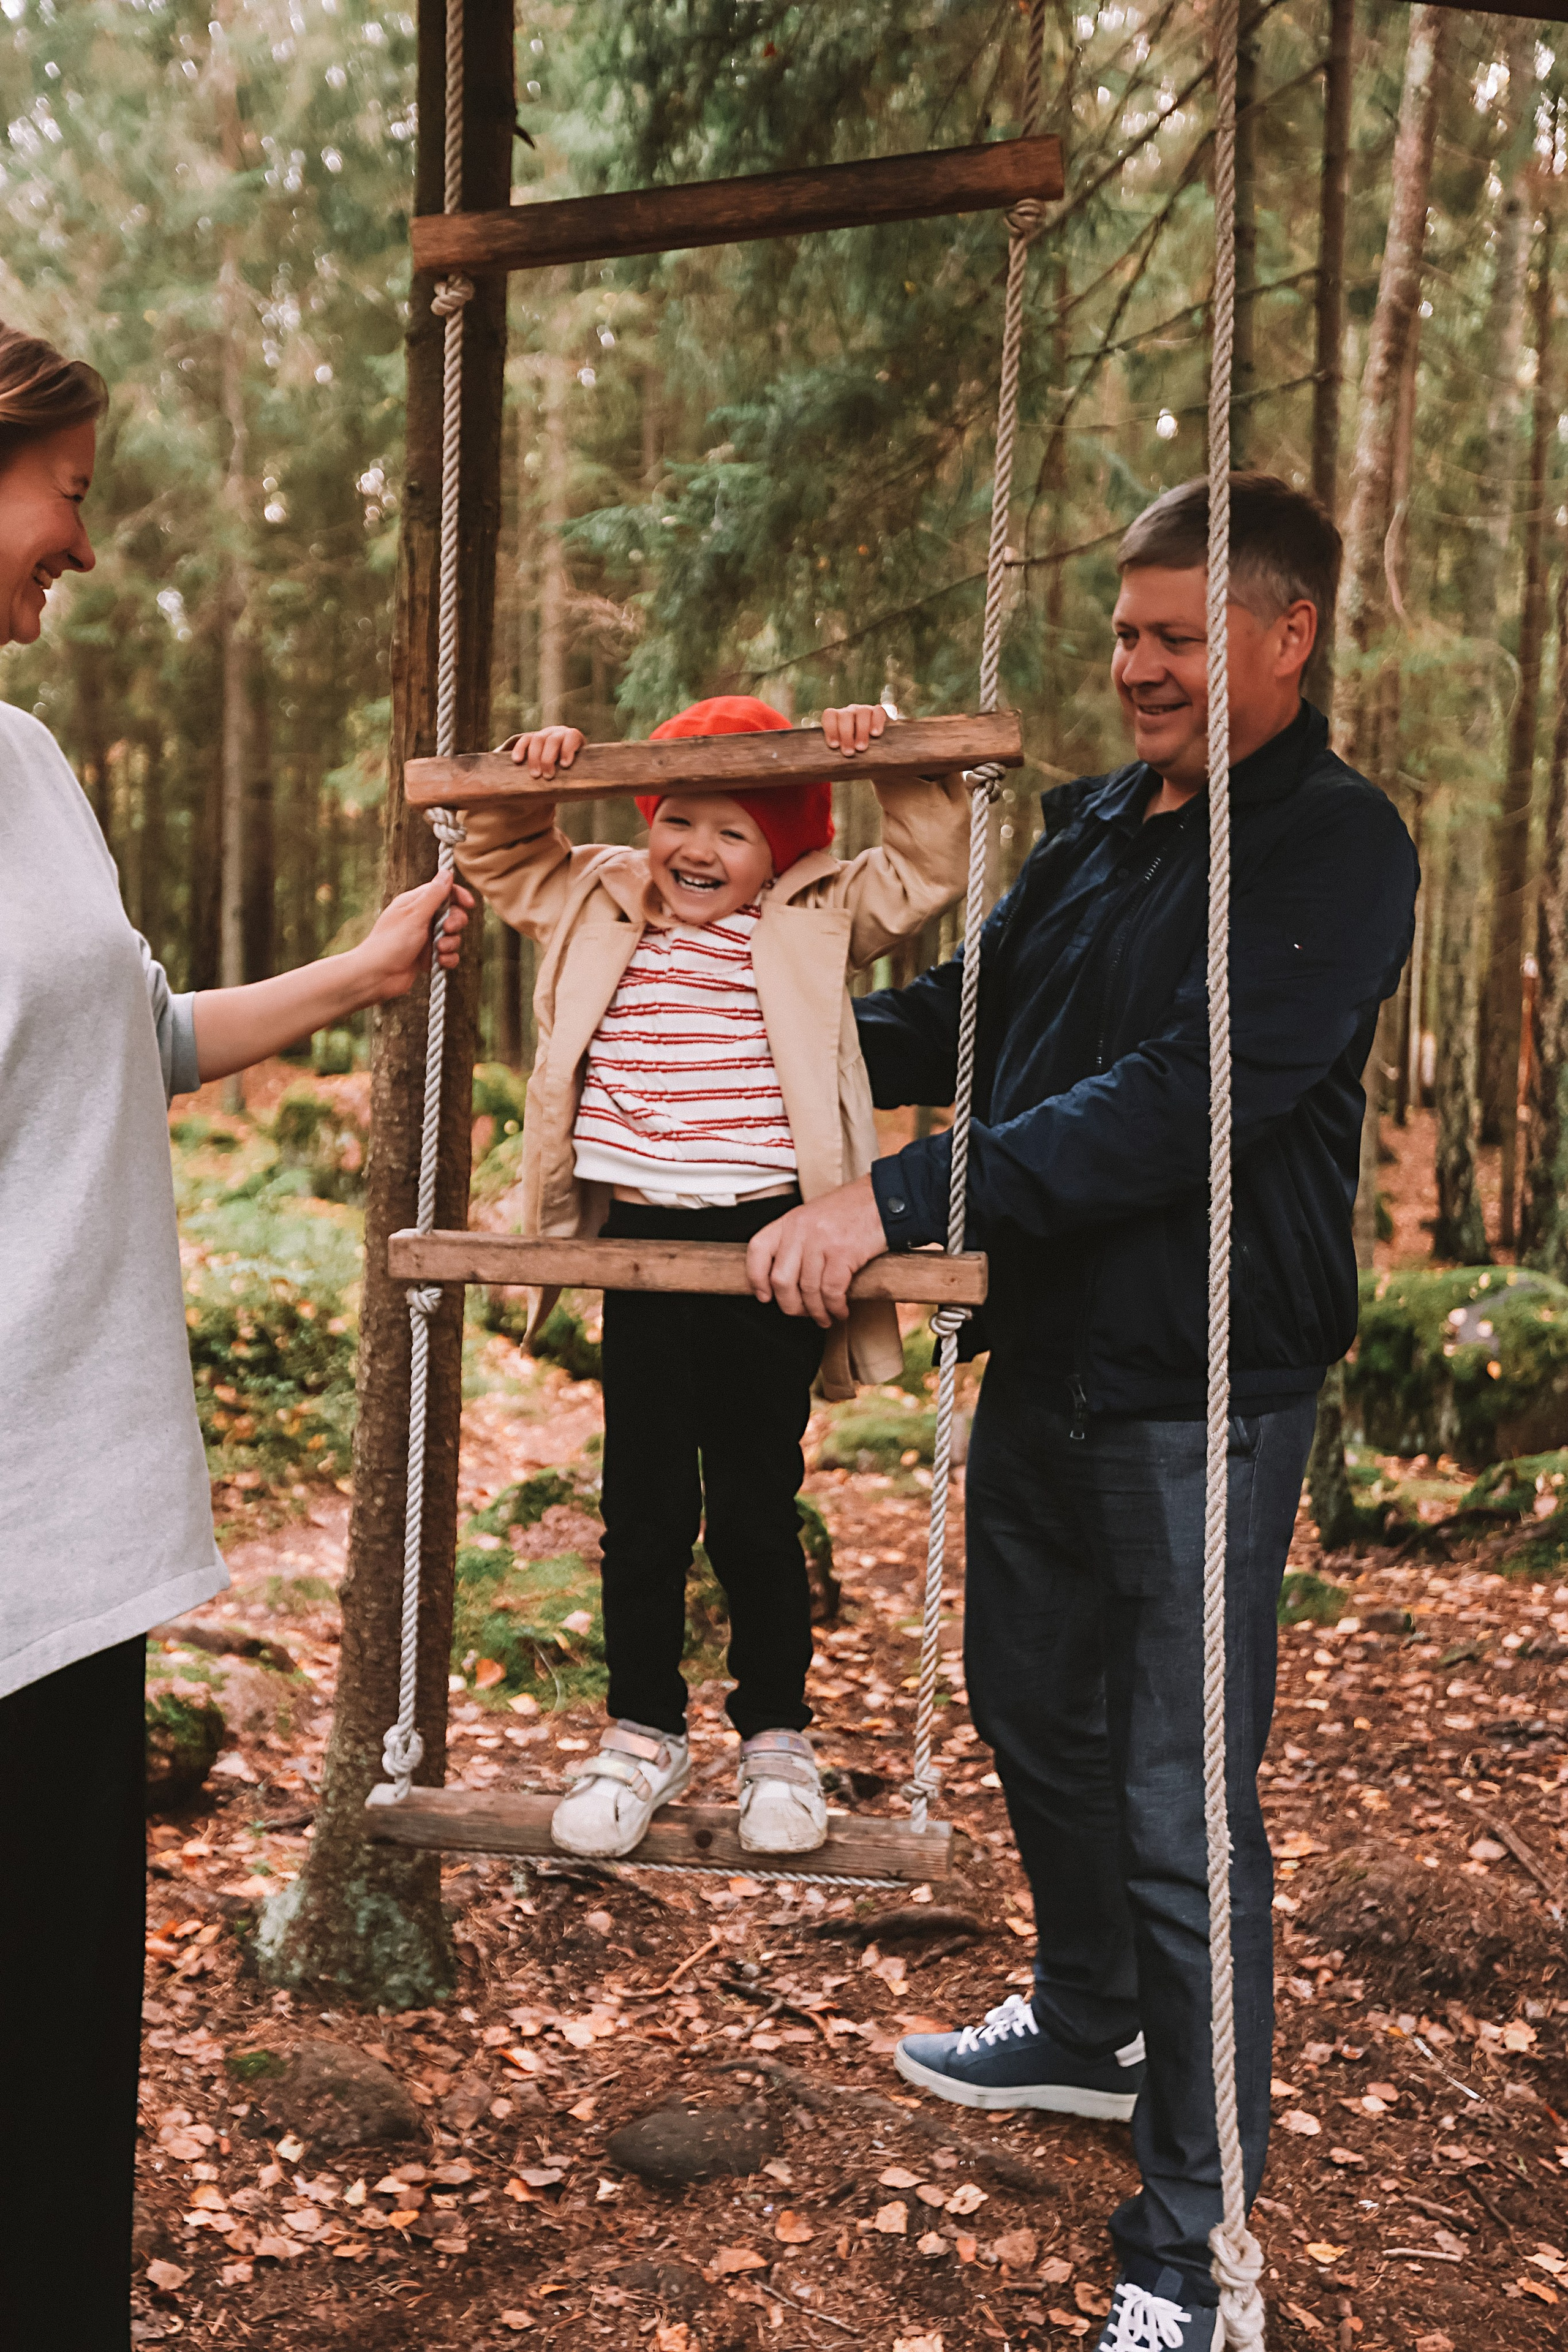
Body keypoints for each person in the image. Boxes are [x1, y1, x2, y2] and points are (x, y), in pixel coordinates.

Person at [744, 475, 1419, 2351]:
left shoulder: (1338, 847)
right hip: (1039, 1352)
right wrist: (728, 1013)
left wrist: (898, 1198)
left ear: (1287, 637)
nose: (1136, 667)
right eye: (1126, 633)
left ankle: (1193, 2249)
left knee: (1180, 1802)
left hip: (1206, 1388)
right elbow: (959, 1022)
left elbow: (1180, 1097)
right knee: (1034, 1710)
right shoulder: (1100, 829)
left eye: (1177, 638)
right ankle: (1095, 2021)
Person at [0, 318, 473, 2352]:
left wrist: (364, 973)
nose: (84, 542)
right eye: (68, 493)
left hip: (74, 1550)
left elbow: (134, 1041)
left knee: (55, 2105)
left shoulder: (27, 766)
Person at [454, 694, 968, 1858]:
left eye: (734, 831)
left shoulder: (816, 911)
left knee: (751, 1505)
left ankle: (776, 1737)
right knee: (640, 1511)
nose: (697, 849)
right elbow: (502, 854)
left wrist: (882, 754)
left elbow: (926, 866)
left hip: (769, 1251)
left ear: (781, 851)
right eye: (677, 819)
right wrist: (537, 775)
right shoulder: (599, 894)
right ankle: (641, 1731)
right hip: (641, 1249)